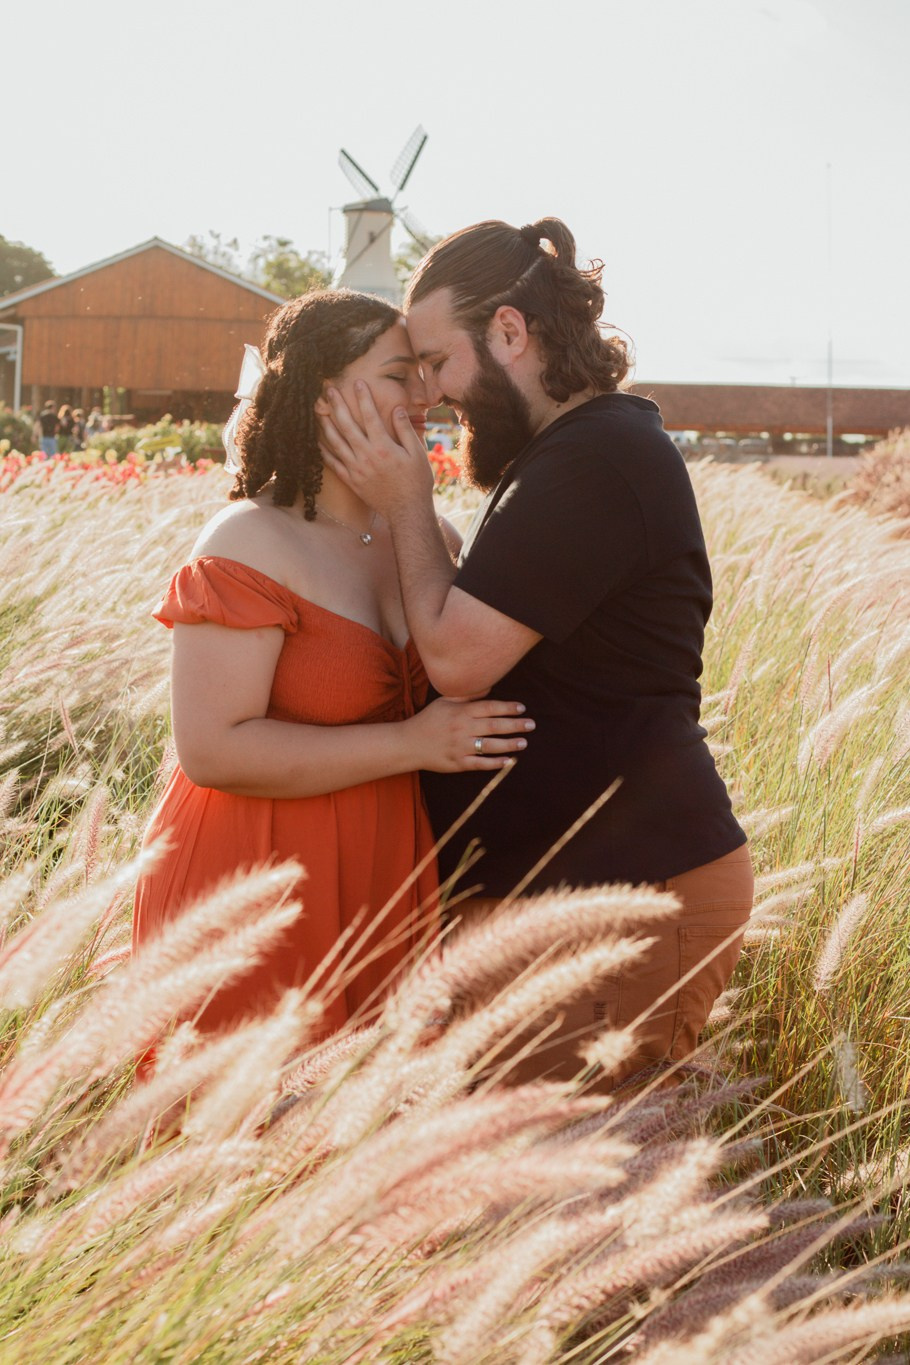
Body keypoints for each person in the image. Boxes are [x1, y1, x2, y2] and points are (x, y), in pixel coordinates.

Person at [320, 218, 753, 1090]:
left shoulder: (599, 458)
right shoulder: (566, 456)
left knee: (583, 1200)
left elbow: (456, 658)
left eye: (439, 361)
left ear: (510, 332)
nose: (433, 393)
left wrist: (407, 496)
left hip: (621, 893)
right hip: (557, 900)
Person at [132, 289, 533, 1041]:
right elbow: (211, 748)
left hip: (387, 870)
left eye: (423, 372)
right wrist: (415, 745)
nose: (425, 395)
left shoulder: (430, 537)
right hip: (254, 879)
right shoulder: (249, 537)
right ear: (322, 397)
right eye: (397, 374)